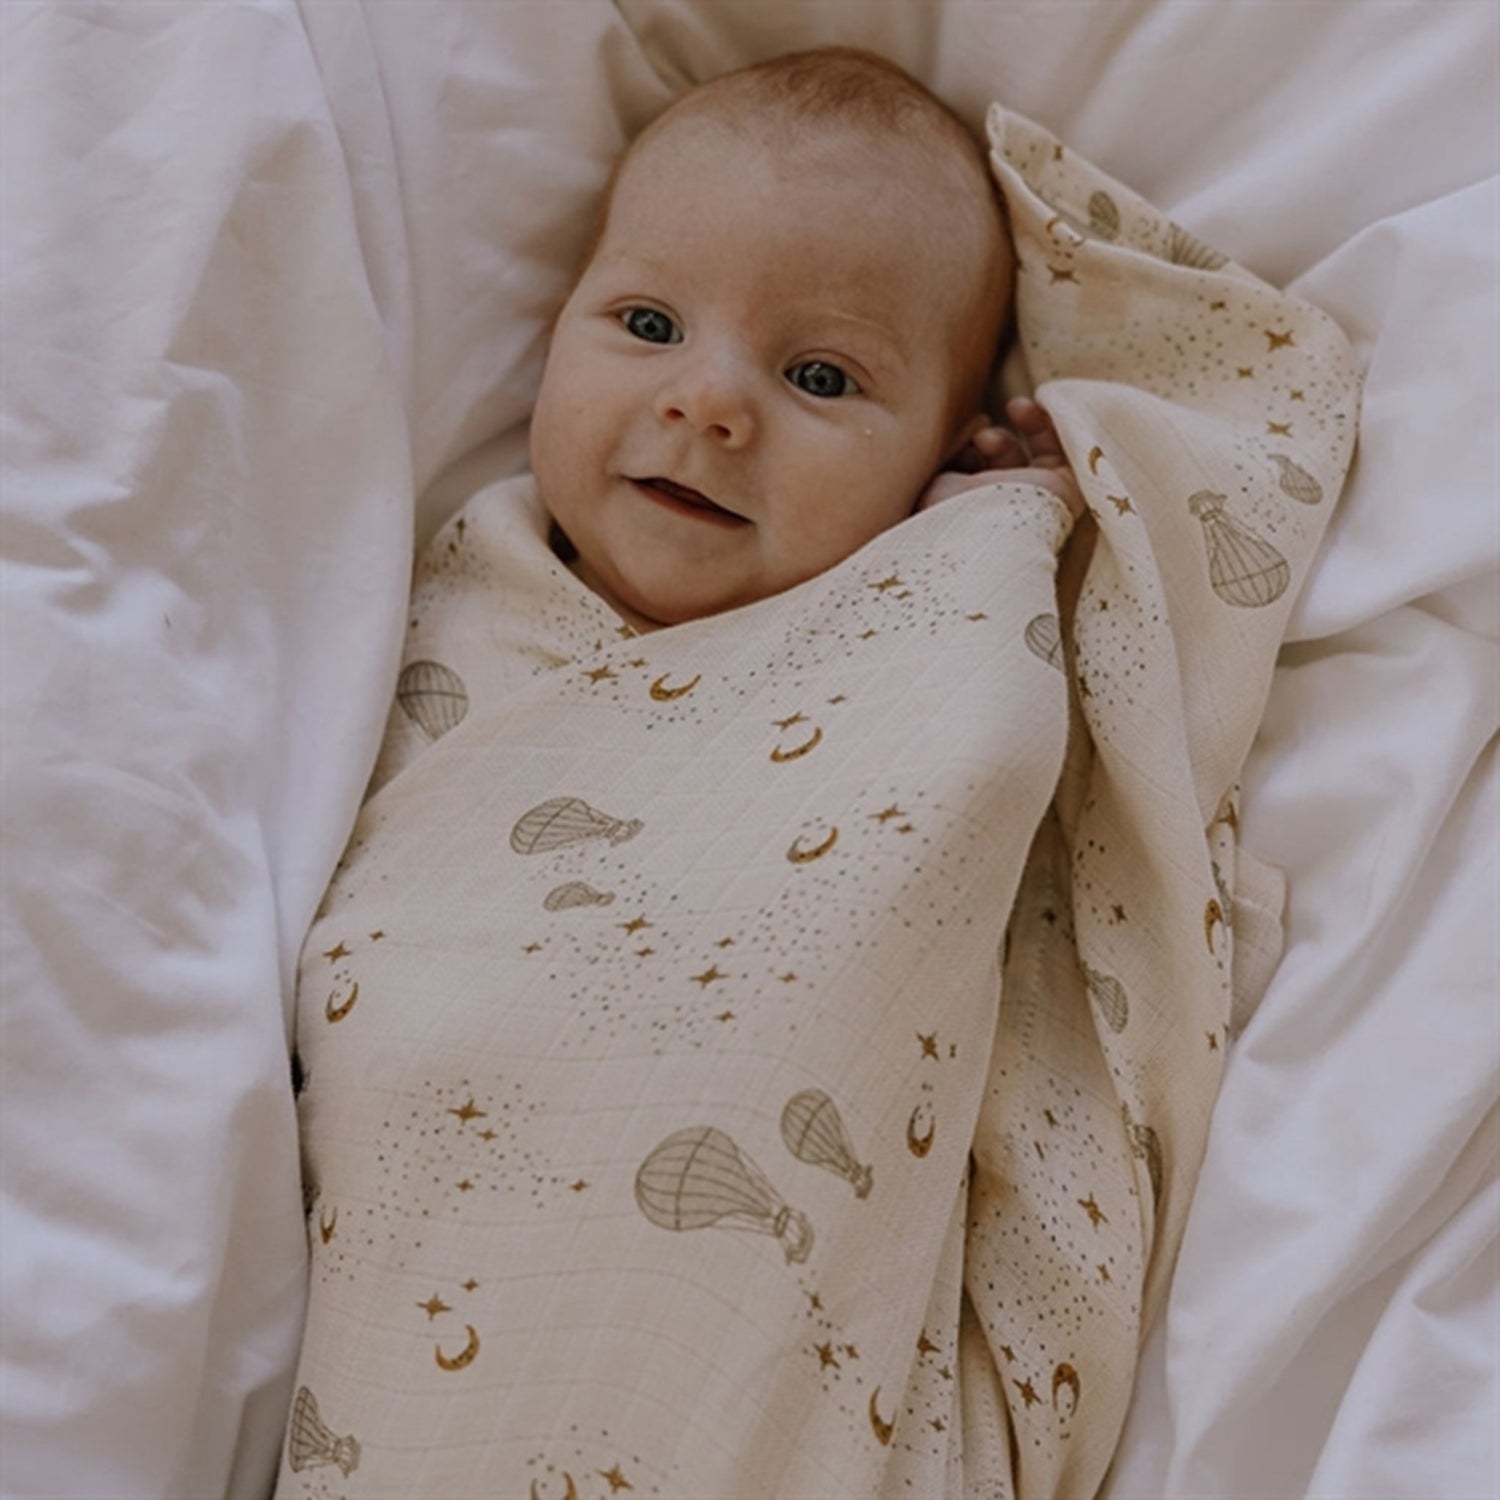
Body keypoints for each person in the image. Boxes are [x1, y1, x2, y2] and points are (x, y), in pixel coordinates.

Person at [529, 45, 1082, 633]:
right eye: (650, 325)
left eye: (820, 378)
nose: (707, 401)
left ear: (945, 461)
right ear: (558, 326)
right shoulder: (470, 554)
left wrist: (990, 546)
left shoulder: (909, 620)